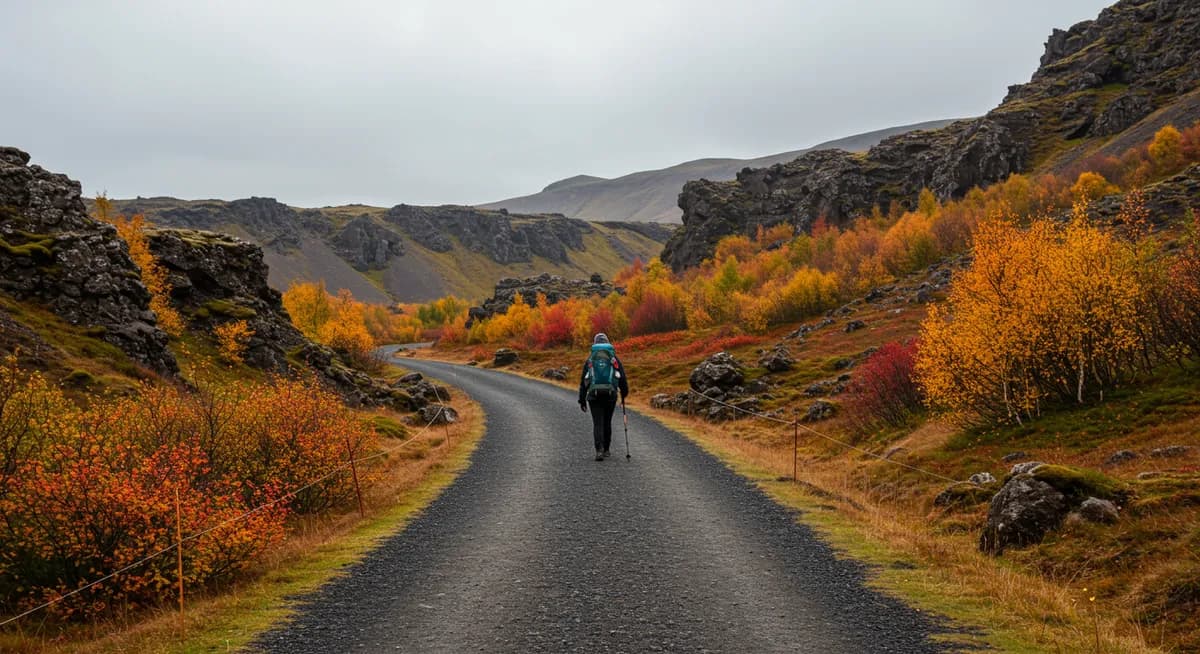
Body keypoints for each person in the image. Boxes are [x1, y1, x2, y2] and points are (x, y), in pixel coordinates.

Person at [578, 332, 629, 461]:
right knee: (607, 422)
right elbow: (622, 378)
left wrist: (582, 400)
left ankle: (599, 450)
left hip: (594, 396)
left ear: (595, 343)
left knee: (597, 423)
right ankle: (606, 449)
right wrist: (623, 395)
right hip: (610, 395)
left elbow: (584, 380)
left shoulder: (591, 359)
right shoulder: (613, 359)